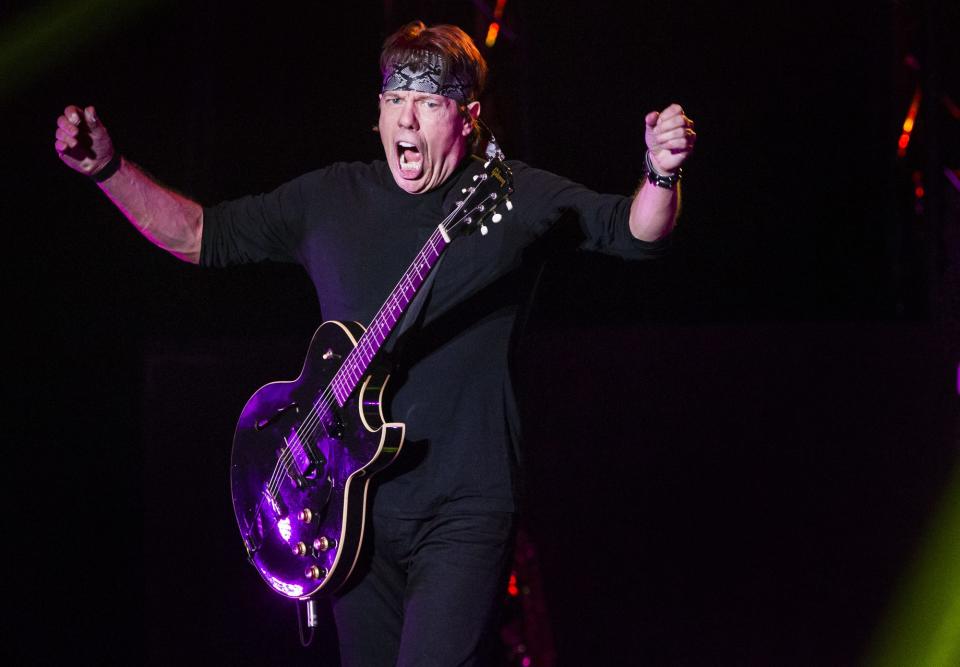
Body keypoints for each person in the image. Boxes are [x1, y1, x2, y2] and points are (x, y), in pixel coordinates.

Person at [54, 20, 695, 667]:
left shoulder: (508, 195)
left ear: (468, 117)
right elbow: (199, 233)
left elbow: (634, 231)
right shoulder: (332, 197)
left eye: (428, 102)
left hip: (464, 510)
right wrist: (106, 169)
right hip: (349, 517)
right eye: (394, 100)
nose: (406, 119)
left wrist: (661, 172)